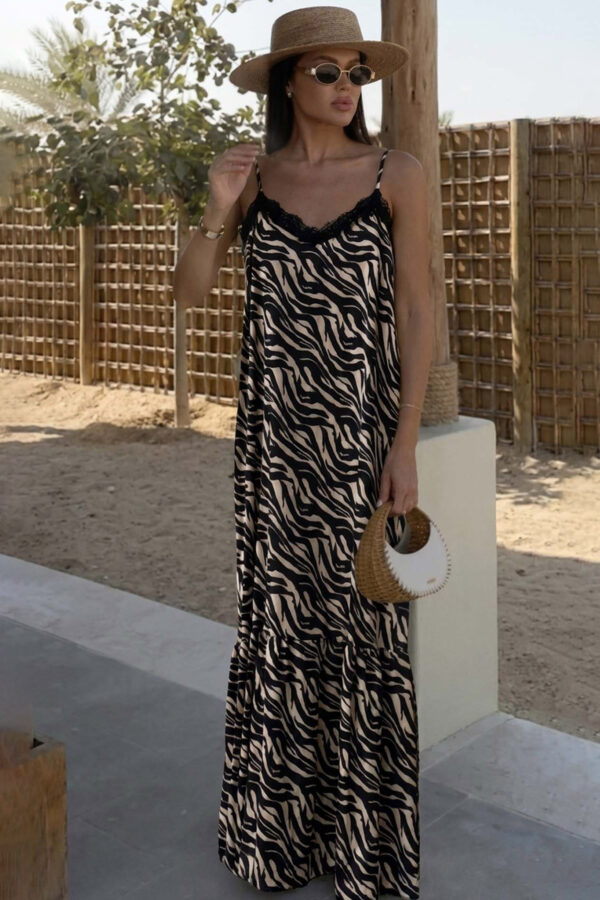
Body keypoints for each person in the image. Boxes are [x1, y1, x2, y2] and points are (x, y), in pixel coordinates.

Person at [173, 6, 433, 900]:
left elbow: (418, 309)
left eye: (356, 71)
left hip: (361, 446)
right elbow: (189, 293)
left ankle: (365, 848)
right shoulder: (253, 179)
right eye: (326, 71)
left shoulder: (397, 174)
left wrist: (405, 442)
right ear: (288, 82)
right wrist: (216, 208)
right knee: (280, 626)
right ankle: (277, 839)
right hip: (274, 451)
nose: (345, 85)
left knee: (364, 629)